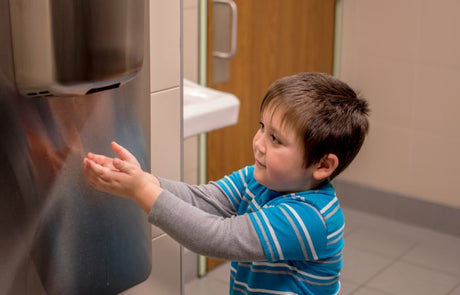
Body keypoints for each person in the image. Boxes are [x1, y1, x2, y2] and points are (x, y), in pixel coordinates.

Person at [83, 72, 370, 295]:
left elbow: (217, 237)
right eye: (262, 128)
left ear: (323, 165)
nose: (259, 144)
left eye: (276, 139)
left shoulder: (310, 217)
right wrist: (145, 179)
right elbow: (204, 199)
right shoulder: (260, 179)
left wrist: (140, 190)